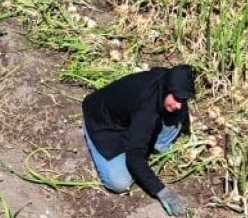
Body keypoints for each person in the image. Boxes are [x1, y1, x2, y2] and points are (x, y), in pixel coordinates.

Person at [83, 65, 196, 217]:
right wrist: (163, 193)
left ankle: (145, 141)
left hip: (128, 113)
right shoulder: (146, 109)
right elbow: (134, 158)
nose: (179, 104)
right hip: (101, 120)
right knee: (120, 183)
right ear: (167, 89)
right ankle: (89, 132)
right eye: (176, 98)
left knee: (178, 113)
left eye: (183, 99)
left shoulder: (165, 78)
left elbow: (176, 101)